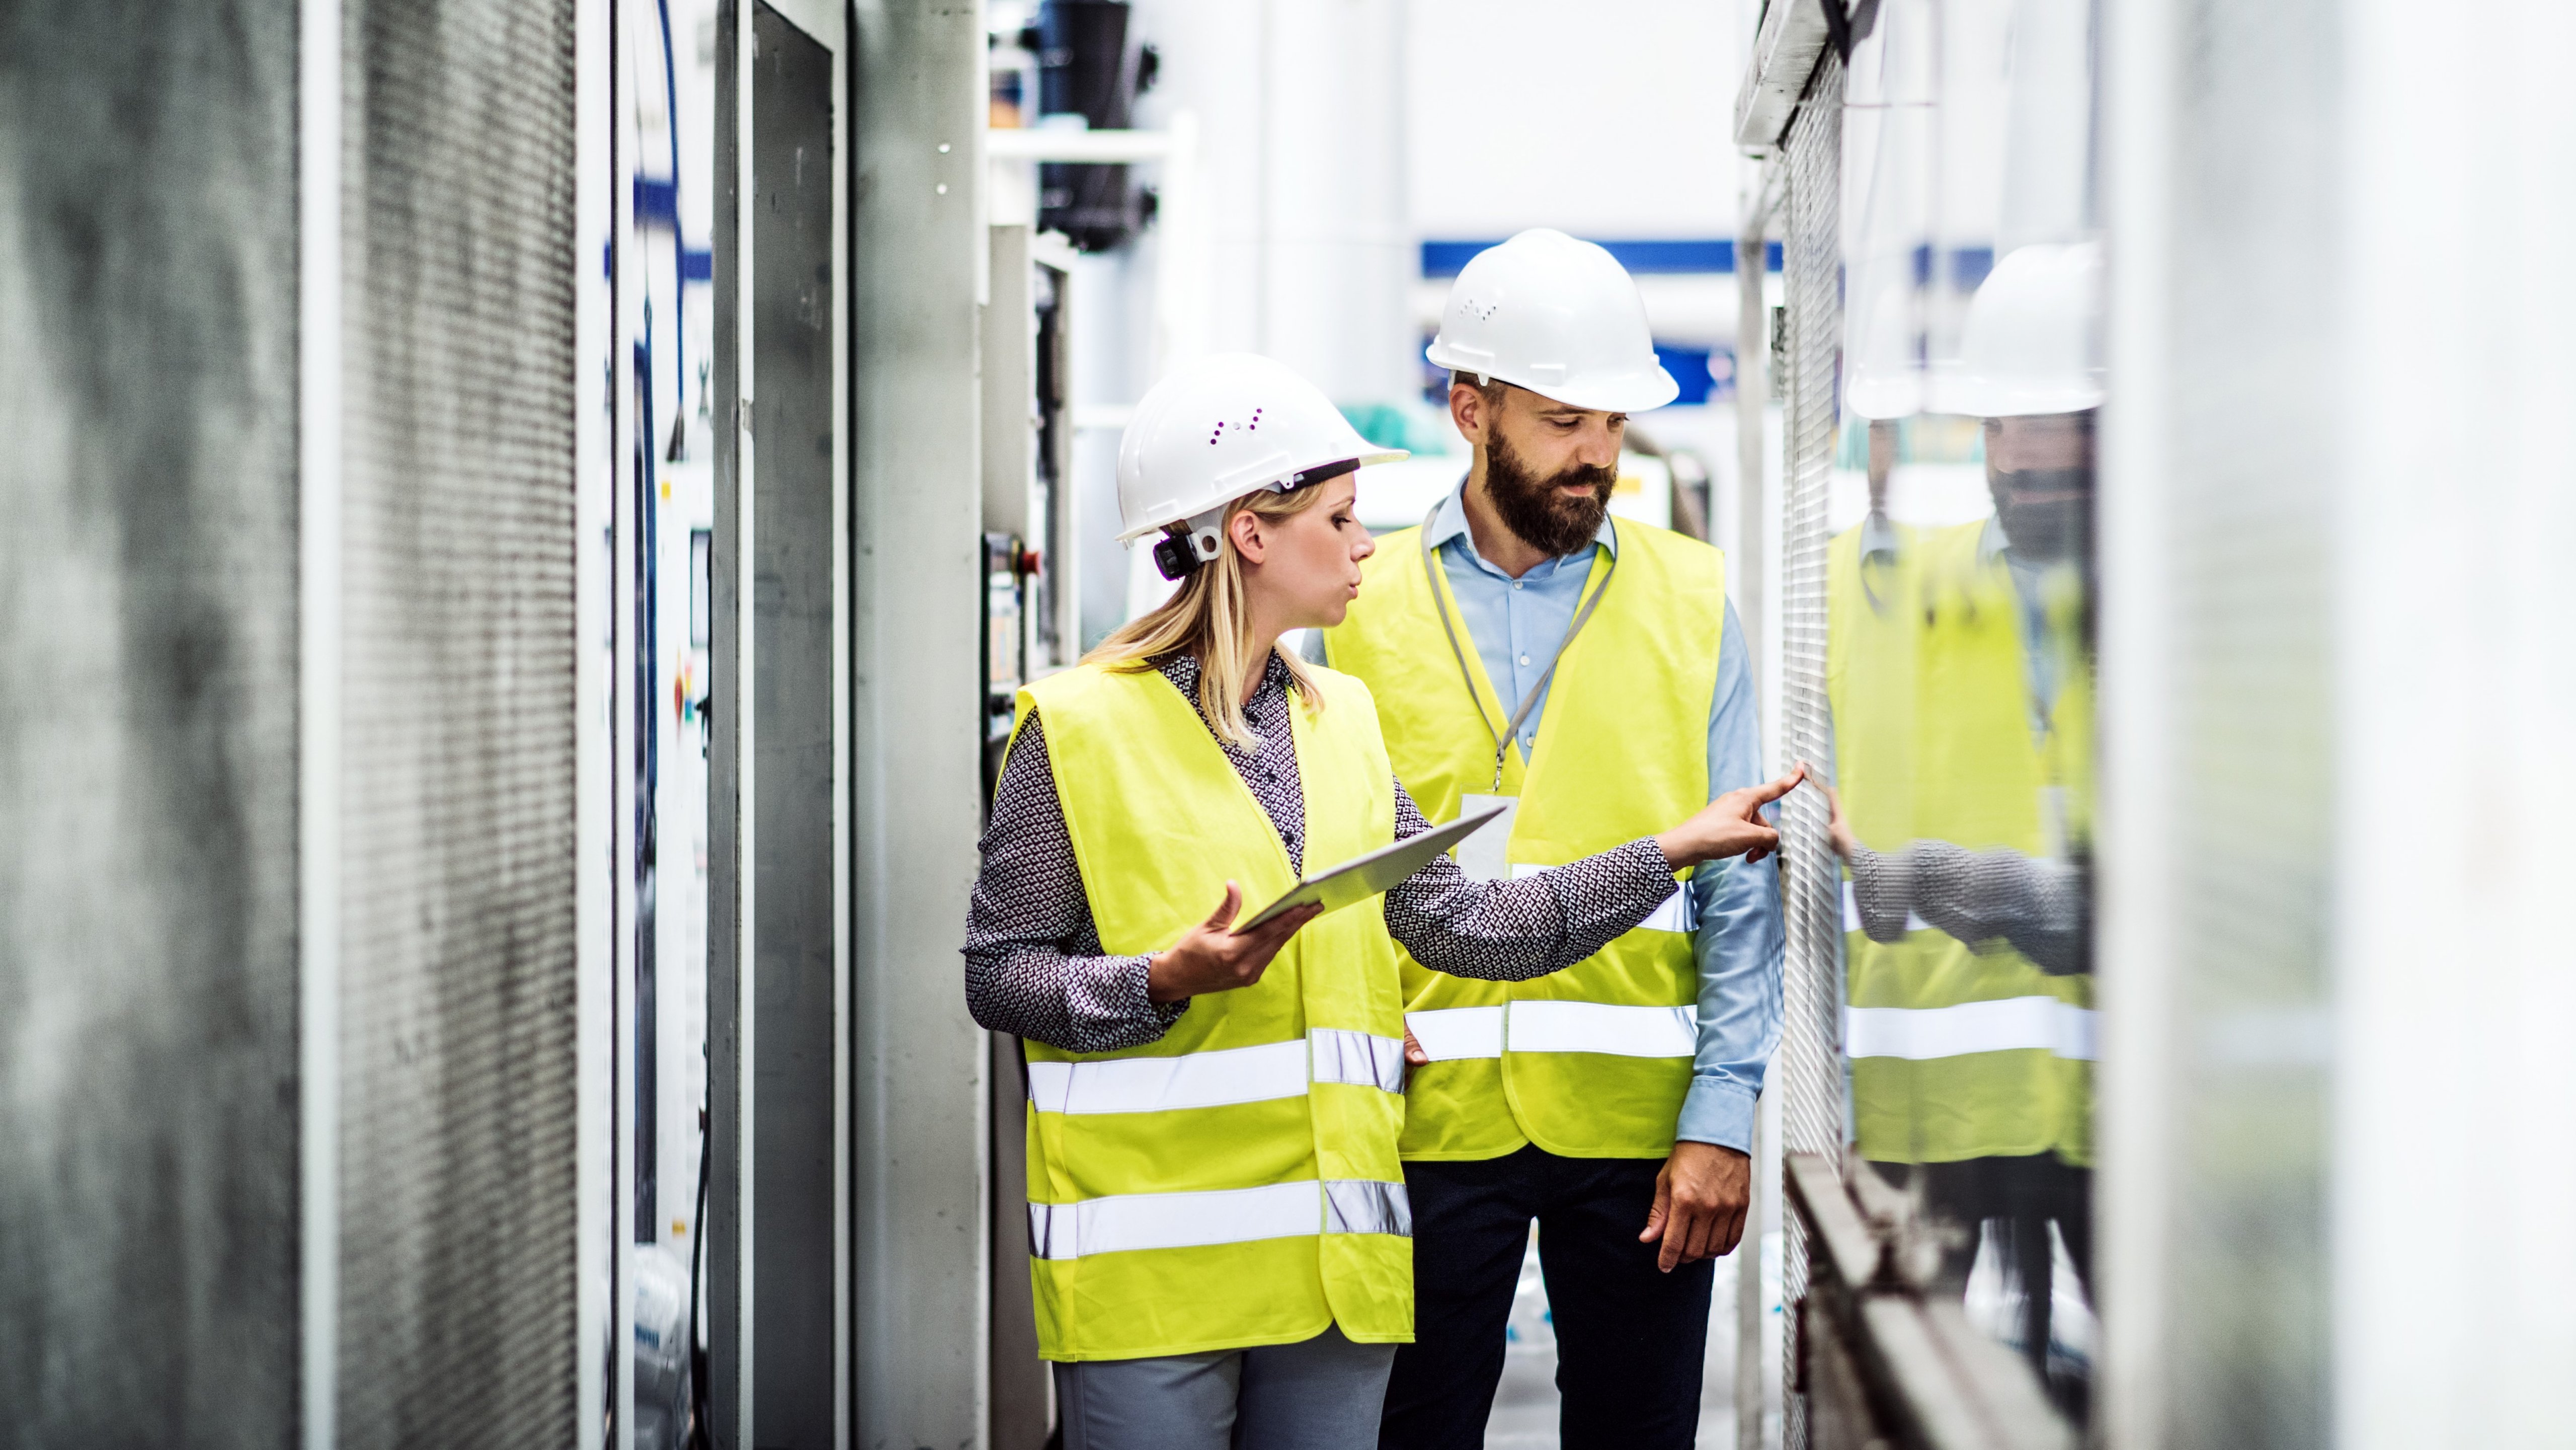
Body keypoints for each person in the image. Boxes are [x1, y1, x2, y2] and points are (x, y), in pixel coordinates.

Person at [962, 352, 1801, 1450]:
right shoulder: (1072, 728)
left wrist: (1668, 850)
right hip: (1157, 1274)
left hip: (1334, 1273)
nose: (1369, 545)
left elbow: (1471, 924)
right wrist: (1159, 981)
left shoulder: (1339, 718)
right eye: (1343, 517)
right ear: (1250, 534)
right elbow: (999, 973)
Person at [1313, 230, 1783, 1450]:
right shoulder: (1356, 603)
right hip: (1423, 1120)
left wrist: (1722, 1117)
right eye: (1566, 420)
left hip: (1640, 1136)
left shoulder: (1689, 598)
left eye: (1616, 426)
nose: (1598, 457)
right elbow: (1318, 864)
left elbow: (1743, 881)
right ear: (1472, 410)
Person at [1815, 240, 2101, 1404]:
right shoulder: (1861, 589)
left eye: (2052, 441)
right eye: (1999, 437)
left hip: (2124, 1113)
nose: (2019, 466)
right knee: (1900, 1407)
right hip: (1924, 1105)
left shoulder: (2193, 607)